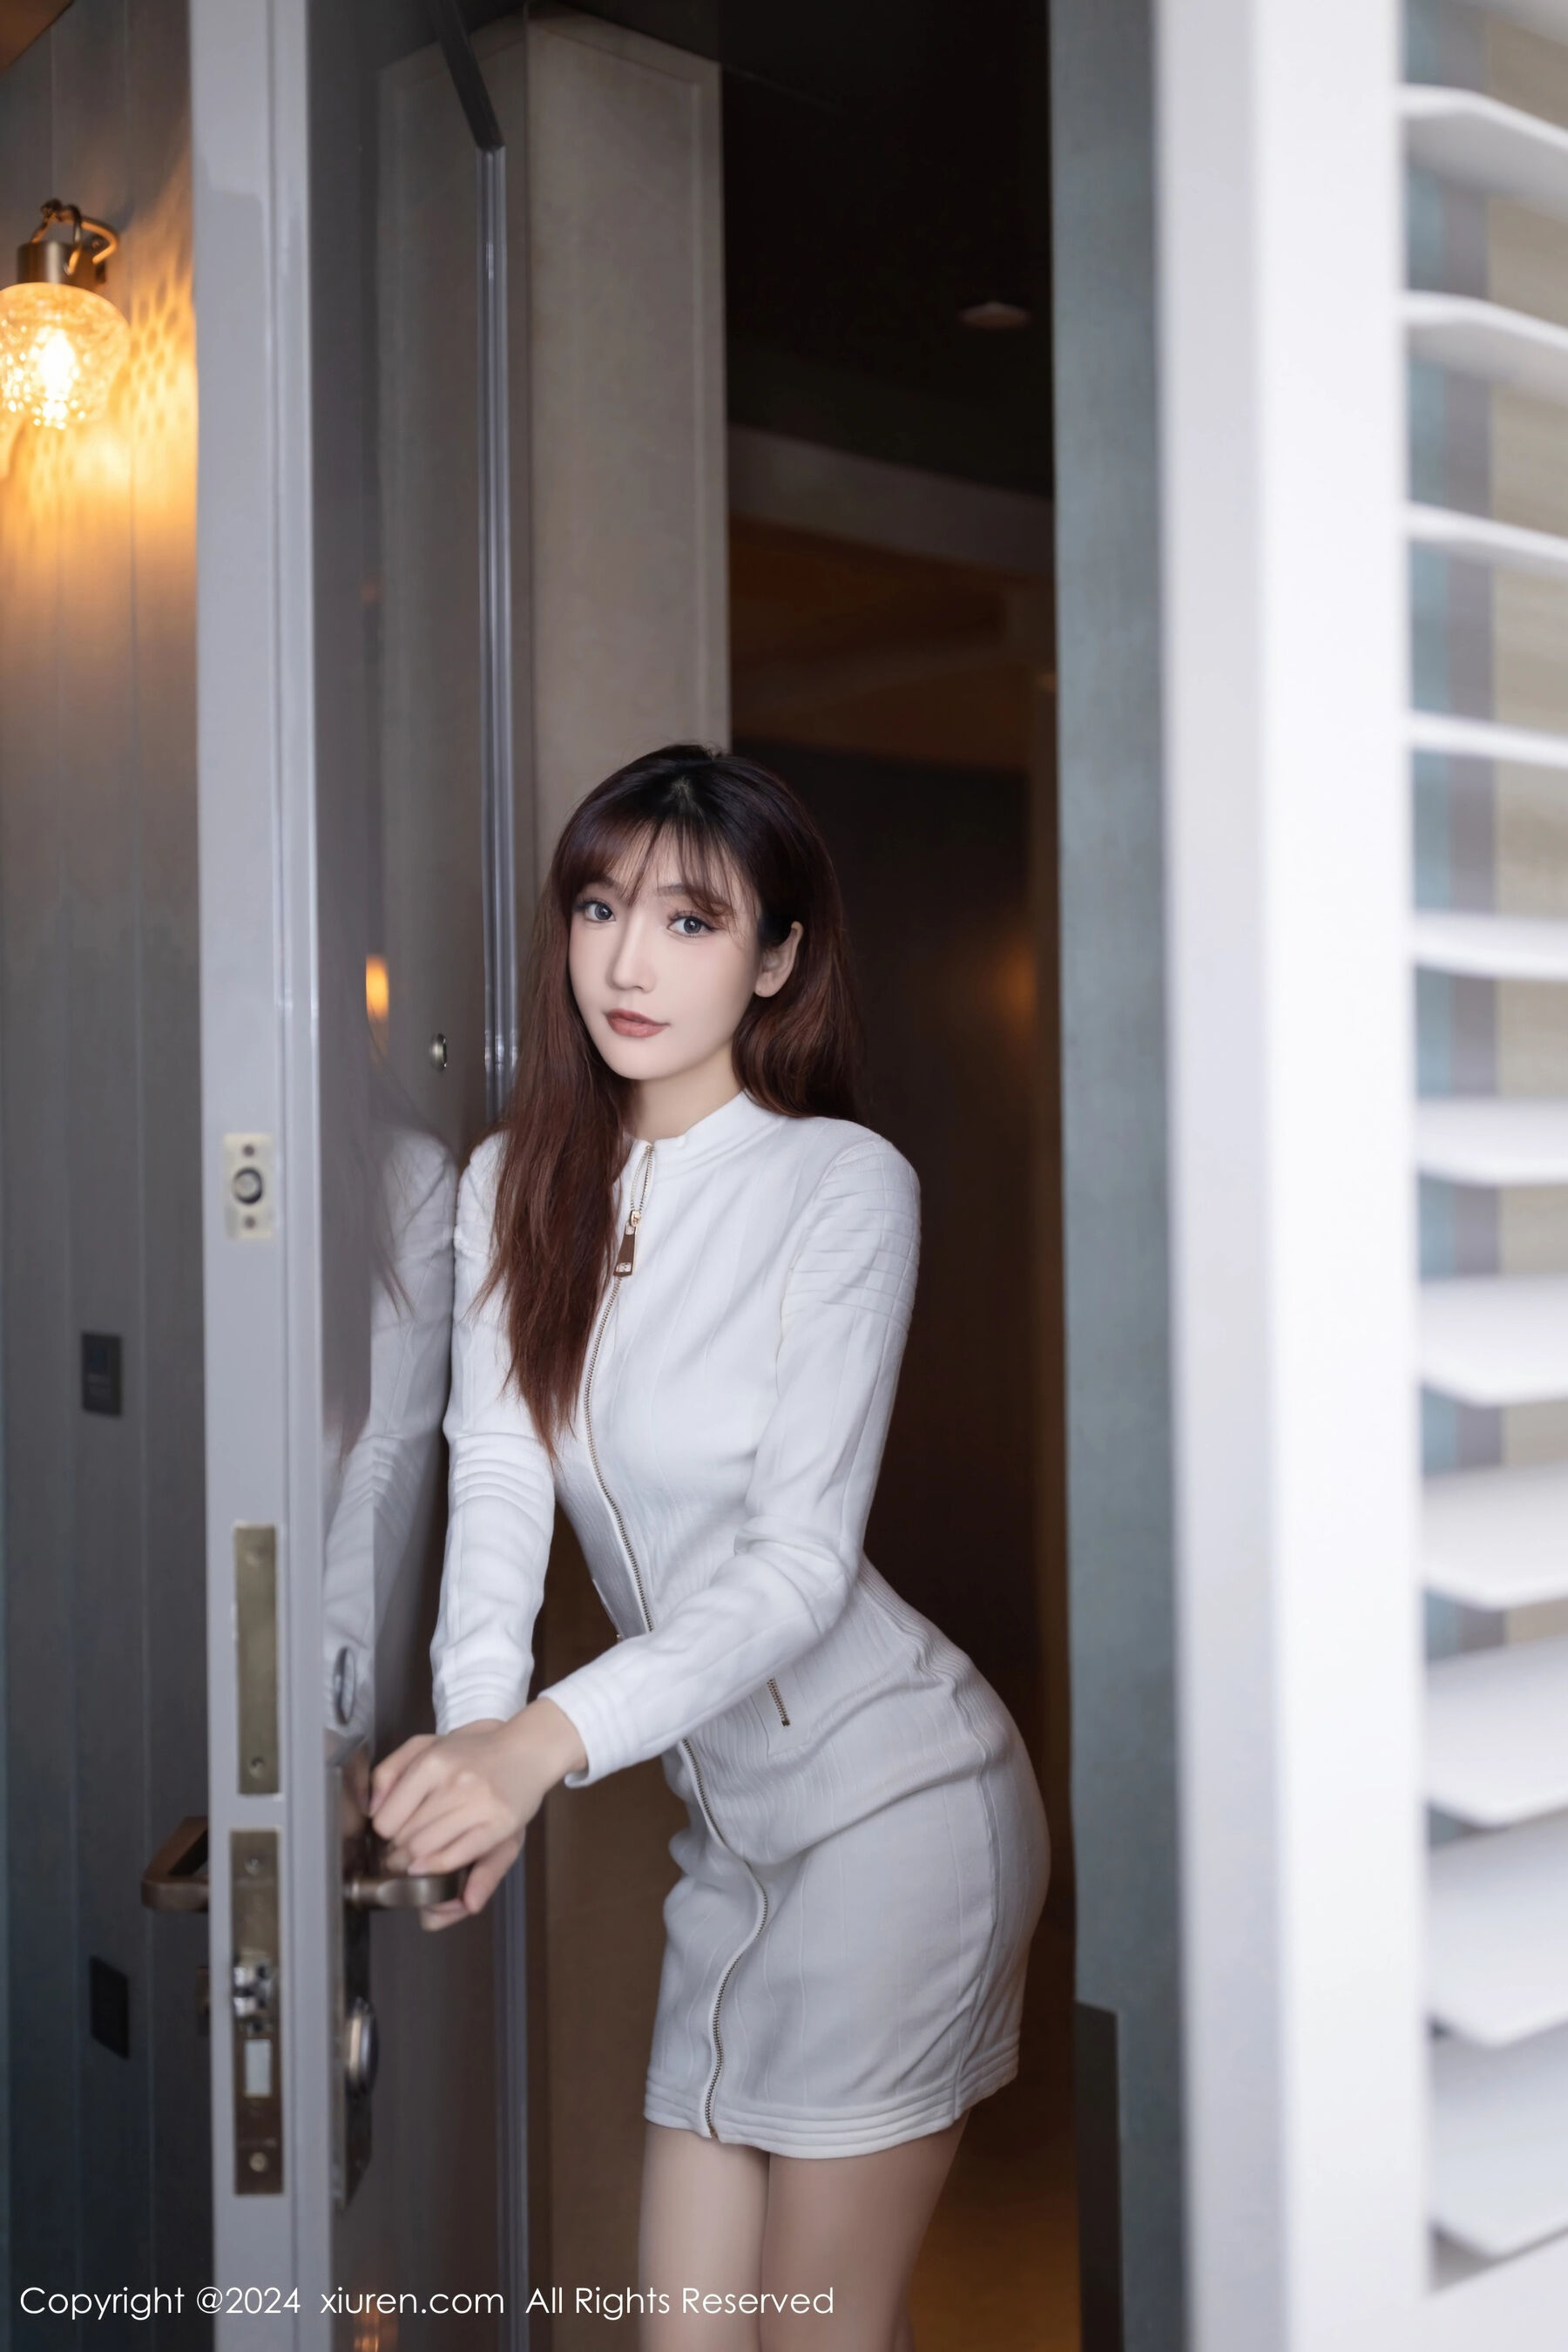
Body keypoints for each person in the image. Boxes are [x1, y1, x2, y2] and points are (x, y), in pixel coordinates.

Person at [368, 744, 1051, 2350]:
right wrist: (479, 1737)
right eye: (600, 908)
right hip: (728, 1844)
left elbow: (802, 1568)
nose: (629, 962)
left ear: (778, 960)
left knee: (818, 2331)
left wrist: (542, 1742)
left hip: (900, 1815)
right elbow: (498, 1474)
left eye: (691, 921)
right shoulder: (513, 1182)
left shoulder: (840, 1186)